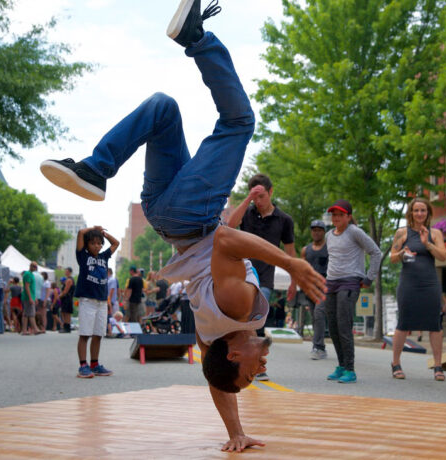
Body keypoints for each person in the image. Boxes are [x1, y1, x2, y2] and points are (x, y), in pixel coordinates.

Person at [40, 1, 325, 451]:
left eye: (253, 370)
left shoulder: (241, 308)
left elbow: (228, 241)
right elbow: (219, 381)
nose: (260, 366)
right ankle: (96, 170)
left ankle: (196, 37)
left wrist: (293, 262)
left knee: (238, 122)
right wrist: (236, 433)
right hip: (166, 214)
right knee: (163, 108)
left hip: (190, 219)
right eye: (256, 376)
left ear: (236, 353)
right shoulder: (214, 341)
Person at [227, 173, 296, 381]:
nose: (259, 201)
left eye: (262, 196)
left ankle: (258, 364)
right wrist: (247, 199)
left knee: (256, 318)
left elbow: (290, 253)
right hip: (243, 274)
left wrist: (294, 280)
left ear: (271, 192)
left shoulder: (284, 220)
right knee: (243, 320)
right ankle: (245, 361)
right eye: (255, 197)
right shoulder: (247, 214)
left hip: (265, 277)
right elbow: (230, 226)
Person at [324, 199, 382, 384]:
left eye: (340, 214)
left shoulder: (355, 232)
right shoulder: (328, 235)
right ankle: (341, 366)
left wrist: (369, 277)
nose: (336, 218)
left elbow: (376, 252)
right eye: (334, 214)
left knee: (343, 324)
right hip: (331, 283)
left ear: (348, 216)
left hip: (349, 283)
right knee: (332, 326)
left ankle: (350, 369)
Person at [390, 198, 446, 381]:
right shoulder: (402, 232)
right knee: (403, 323)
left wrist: (427, 244)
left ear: (428, 213)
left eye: (423, 210)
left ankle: (438, 366)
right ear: (411, 213)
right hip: (409, 284)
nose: (420, 214)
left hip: (430, 284)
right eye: (416, 210)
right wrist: (402, 253)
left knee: (435, 324)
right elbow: (392, 257)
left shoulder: (435, 233)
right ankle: (396, 363)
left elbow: (443, 257)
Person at [74, 226, 119, 378]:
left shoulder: (104, 257)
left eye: (99, 243)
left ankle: (94, 364)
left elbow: (116, 243)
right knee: (85, 334)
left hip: (101, 302)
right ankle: (83, 366)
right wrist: (94, 229)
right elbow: (81, 233)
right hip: (88, 301)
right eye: (93, 243)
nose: (97, 246)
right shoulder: (83, 256)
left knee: (98, 334)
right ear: (87, 245)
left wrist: (104, 234)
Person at [300, 220, 329, 360]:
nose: (316, 232)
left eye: (319, 230)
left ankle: (318, 347)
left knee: (319, 313)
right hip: (310, 287)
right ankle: (321, 345)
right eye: (314, 230)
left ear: (324, 232)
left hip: (325, 286)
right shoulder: (306, 250)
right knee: (315, 317)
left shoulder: (329, 248)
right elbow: (302, 269)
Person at [21, 262, 40, 335]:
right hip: (28, 297)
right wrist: (30, 298)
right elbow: (27, 286)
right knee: (31, 313)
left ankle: (24, 330)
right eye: (34, 266)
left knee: (26, 314)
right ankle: (35, 329)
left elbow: (31, 288)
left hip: (30, 296)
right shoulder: (28, 274)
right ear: (30, 266)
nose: (35, 268)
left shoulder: (31, 274)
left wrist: (34, 298)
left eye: (36, 267)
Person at [58, 268, 75, 333]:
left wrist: (59, 296)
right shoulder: (68, 279)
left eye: (67, 271)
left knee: (66, 313)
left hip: (67, 298)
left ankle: (67, 327)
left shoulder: (69, 280)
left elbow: (65, 291)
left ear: (70, 272)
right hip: (67, 298)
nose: (65, 272)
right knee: (65, 312)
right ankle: (66, 326)